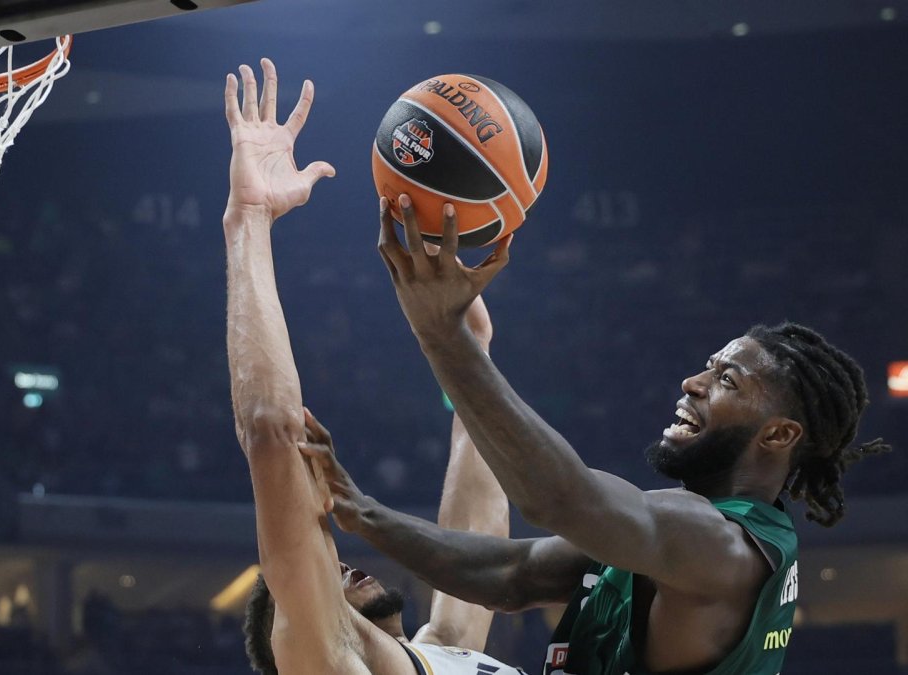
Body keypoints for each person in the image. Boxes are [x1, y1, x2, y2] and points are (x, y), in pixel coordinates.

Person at [356, 190, 892, 673]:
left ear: (778, 435)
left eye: (727, 379)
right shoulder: (684, 535)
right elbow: (512, 574)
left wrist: (442, 335)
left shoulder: (721, 546)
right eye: (709, 365)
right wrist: (360, 513)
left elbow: (560, 499)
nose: (693, 382)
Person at [225, 58, 526, 675]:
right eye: (317, 570)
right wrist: (248, 222)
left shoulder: (445, 647)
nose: (337, 562)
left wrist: (454, 307)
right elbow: (270, 432)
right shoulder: (328, 660)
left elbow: (480, 519)